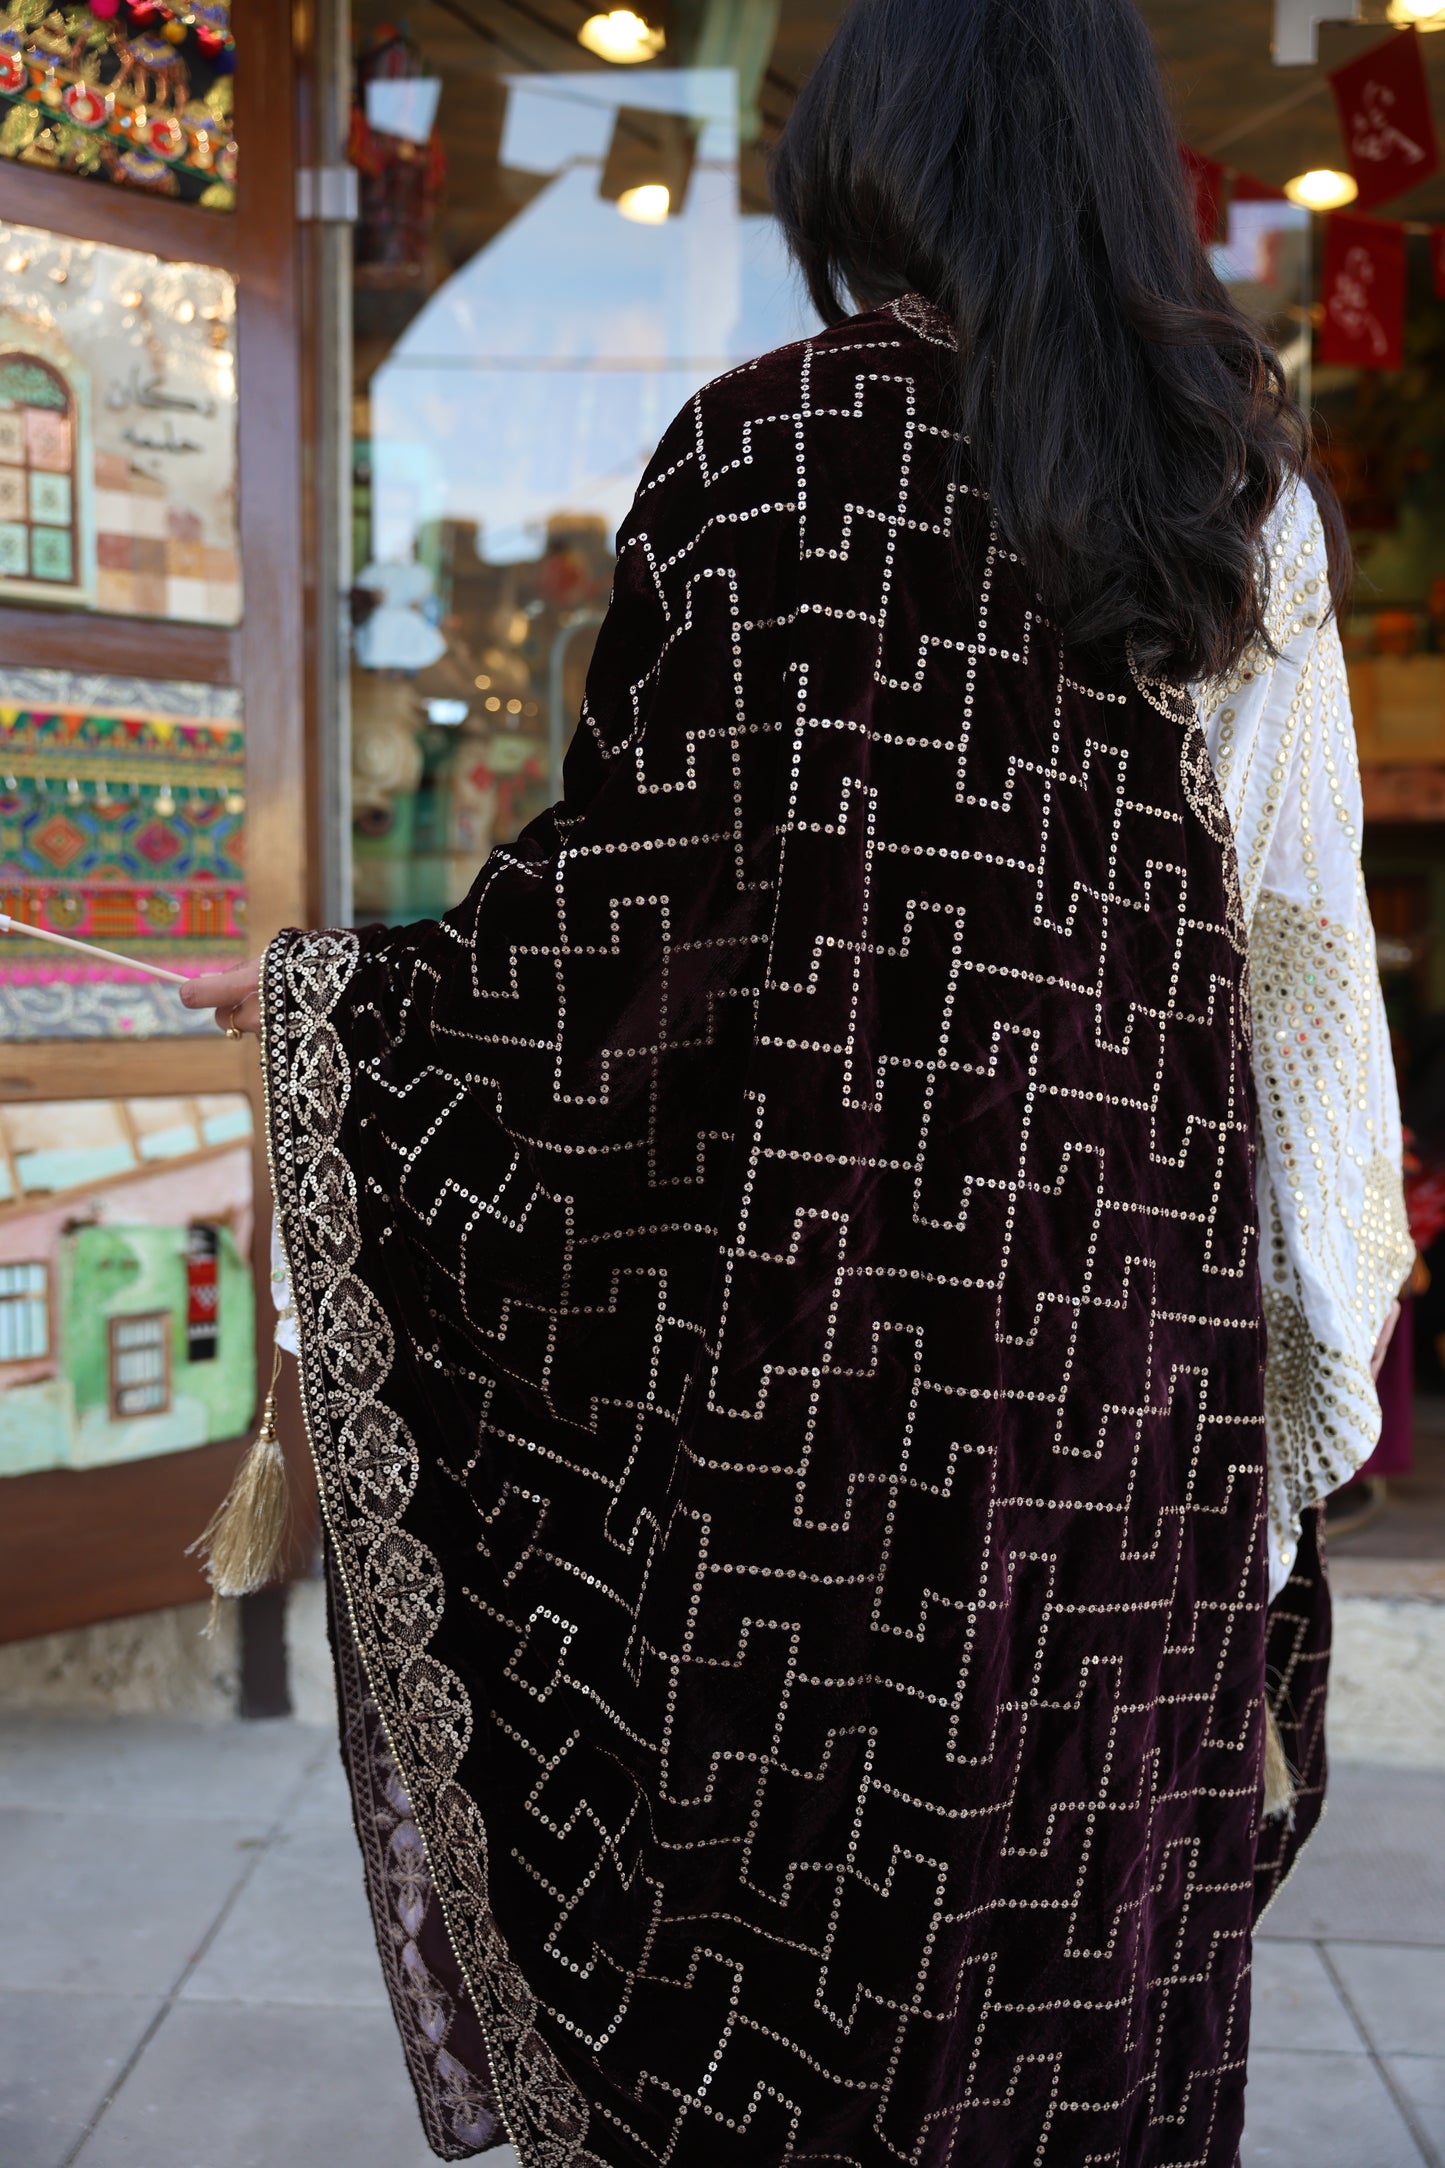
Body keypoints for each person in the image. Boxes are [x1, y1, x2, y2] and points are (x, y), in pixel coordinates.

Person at [184, 1, 1412, 2160]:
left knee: (802, 2024)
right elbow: (1299, 985)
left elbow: (597, 987)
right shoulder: (1230, 493)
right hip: (1128, 1416)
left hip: (812, 1427)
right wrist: (1295, 1400)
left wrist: (334, 1029)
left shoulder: (765, 458)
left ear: (885, 152)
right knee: (1085, 2011)